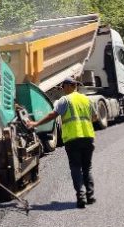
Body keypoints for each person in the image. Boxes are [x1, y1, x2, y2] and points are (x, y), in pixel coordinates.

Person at [27, 77, 97, 208]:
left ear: (70, 85)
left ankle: (81, 197)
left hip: (73, 139)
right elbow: (95, 117)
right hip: (88, 138)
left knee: (76, 168)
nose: (62, 89)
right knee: (87, 168)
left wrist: (36, 123)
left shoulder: (65, 100)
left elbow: (52, 115)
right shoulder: (86, 99)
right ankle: (90, 196)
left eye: (63, 86)